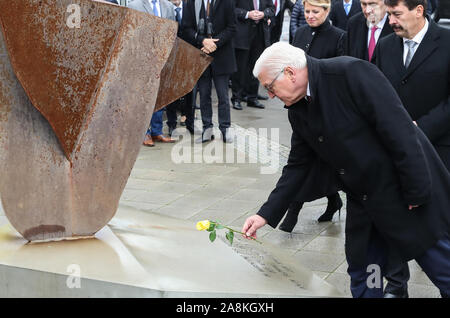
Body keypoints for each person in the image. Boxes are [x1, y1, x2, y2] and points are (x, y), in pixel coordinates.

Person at [242, 42, 450, 298]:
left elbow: (401, 132)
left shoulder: (351, 73)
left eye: (270, 87)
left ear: (289, 72)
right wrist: (265, 214)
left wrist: (417, 192)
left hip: (405, 196)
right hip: (364, 202)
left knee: (442, 269)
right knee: (366, 271)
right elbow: (298, 165)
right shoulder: (297, 108)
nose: (271, 95)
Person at [376, 0, 450, 298]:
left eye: (397, 14)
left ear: (419, 10)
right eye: (389, 14)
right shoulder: (384, 47)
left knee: (441, 219)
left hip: (440, 147)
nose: (391, 20)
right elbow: (377, 94)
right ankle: (396, 286)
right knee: (394, 216)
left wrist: (420, 128)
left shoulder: (446, 43)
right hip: (395, 151)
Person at [279, 0, 345, 232]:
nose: (310, 16)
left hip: (323, 110)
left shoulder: (338, 37)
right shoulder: (300, 33)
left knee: (316, 161)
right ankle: (334, 200)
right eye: (307, 11)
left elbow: (338, 75)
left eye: (315, 12)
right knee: (306, 160)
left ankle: (292, 213)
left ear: (327, 11)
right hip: (299, 109)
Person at [182, 0, 237, 143]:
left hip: (222, 56)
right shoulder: (190, 3)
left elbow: (232, 27)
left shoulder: (227, 2)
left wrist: (214, 44)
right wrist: (202, 41)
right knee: (204, 95)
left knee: (223, 96)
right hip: (201, 55)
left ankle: (225, 129)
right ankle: (207, 129)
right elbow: (186, 28)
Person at [128, 0, 177, 147]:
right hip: (142, 59)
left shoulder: (168, 6)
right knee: (142, 98)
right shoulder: (134, 5)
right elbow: (131, 32)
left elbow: (172, 31)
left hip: (162, 58)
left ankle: (157, 131)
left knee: (158, 95)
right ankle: (143, 133)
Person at [231, 0, 275, 110]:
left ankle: (252, 97)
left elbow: (272, 9)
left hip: (260, 35)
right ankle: (237, 98)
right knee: (241, 69)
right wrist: (247, 14)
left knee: (256, 67)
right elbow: (232, 10)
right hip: (242, 36)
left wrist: (264, 13)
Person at [165, 0, 196, 136]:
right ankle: (171, 123)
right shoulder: (165, 8)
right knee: (171, 90)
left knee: (189, 89)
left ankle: (189, 120)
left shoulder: (190, 6)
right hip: (170, 55)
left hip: (189, 54)